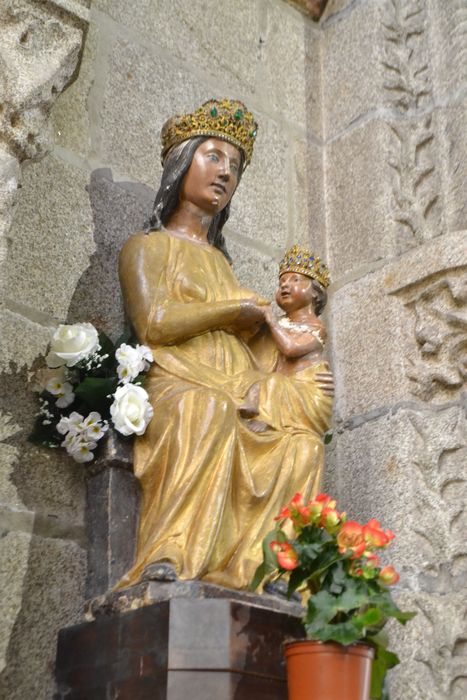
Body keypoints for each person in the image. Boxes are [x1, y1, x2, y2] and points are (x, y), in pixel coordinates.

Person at [116, 99, 333, 591]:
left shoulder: (221, 262)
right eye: (213, 157)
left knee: (301, 446)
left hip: (239, 380)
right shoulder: (146, 248)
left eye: (233, 167)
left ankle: (265, 573)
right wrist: (232, 311)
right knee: (207, 409)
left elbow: (259, 340)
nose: (225, 173)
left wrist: (293, 369)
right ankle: (169, 556)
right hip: (180, 380)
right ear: (181, 163)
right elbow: (153, 322)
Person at [240, 244, 333, 437]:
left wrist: (270, 320)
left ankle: (266, 418)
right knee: (262, 381)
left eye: (295, 280)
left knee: (274, 382)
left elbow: (290, 349)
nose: (285, 285)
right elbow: (252, 355)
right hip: (280, 390)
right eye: (282, 281)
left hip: (306, 394)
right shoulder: (276, 326)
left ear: (315, 292)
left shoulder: (316, 327)